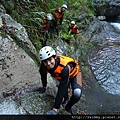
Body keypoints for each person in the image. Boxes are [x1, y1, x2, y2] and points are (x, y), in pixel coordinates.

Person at [38, 46, 82, 115]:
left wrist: (55, 109)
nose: (48, 63)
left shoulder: (64, 67)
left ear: (55, 57)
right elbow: (43, 75)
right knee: (64, 89)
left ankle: (68, 107)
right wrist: (44, 87)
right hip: (62, 76)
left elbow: (62, 87)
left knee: (77, 93)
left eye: (50, 59)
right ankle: (66, 99)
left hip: (74, 74)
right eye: (45, 61)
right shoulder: (44, 66)